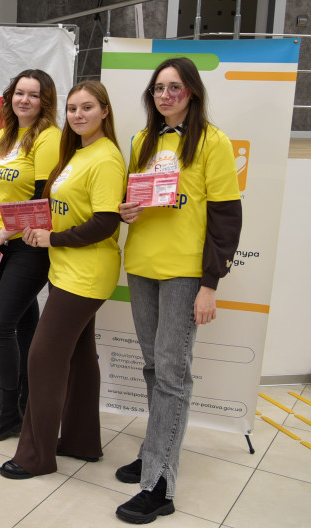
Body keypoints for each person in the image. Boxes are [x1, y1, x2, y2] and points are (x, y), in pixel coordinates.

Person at [114, 57, 241, 524]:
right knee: (154, 367)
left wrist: (210, 284)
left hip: (185, 273)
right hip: (143, 265)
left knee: (172, 373)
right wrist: (127, 211)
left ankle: (160, 483)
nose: (165, 96)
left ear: (192, 92)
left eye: (174, 88)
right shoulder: (142, 141)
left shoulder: (214, 142)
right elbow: (136, 200)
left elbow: (226, 219)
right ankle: (154, 450)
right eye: (158, 89)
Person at [0, 81, 125, 480]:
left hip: (86, 273)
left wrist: (53, 238)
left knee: (43, 358)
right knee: (80, 358)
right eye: (72, 108)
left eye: (87, 108)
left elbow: (105, 223)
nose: (78, 115)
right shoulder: (79, 152)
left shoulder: (106, 158)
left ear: (105, 111)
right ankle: (81, 441)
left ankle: (35, 455)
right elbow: (61, 204)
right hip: (66, 268)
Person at [0, 69, 61, 441]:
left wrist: (4, 232)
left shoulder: (48, 138)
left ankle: (8, 410)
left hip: (28, 244)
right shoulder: (5, 136)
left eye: (33, 95)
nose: (24, 100)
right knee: (24, 323)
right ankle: (24, 401)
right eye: (19, 93)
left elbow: (44, 202)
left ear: (46, 101)